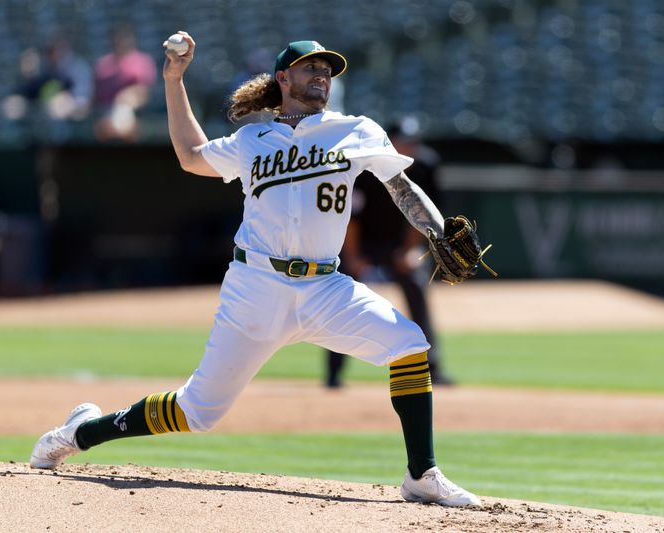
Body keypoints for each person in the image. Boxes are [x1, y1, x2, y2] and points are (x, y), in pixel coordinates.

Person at [29, 34, 483, 508]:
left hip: (325, 287)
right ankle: (81, 433)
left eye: (327, 69)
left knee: (409, 345)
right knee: (197, 411)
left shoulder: (356, 130)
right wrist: (173, 79)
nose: (322, 75)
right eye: (311, 68)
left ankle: (421, 474)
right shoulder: (252, 140)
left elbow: (401, 187)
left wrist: (436, 230)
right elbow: (189, 155)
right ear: (283, 79)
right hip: (256, 287)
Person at [324, 117, 454, 388]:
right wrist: (352, 258)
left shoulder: (426, 165)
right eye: (404, 142)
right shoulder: (367, 164)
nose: (410, 148)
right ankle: (334, 373)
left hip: (399, 244)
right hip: (362, 242)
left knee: (417, 286)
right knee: (339, 295)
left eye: (414, 142)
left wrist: (410, 251)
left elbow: (422, 215)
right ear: (389, 142)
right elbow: (352, 218)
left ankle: (433, 368)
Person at [0, 37, 93, 121]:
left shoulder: (77, 67)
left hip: (74, 106)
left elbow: (81, 96)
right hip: (47, 109)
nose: (53, 55)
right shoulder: (46, 71)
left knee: (60, 103)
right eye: (51, 52)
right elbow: (32, 92)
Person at [93, 26, 157, 142]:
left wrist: (125, 97)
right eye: (118, 41)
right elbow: (96, 94)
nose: (121, 44)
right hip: (106, 110)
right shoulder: (103, 63)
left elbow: (144, 92)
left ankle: (119, 128)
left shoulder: (142, 61)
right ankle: (117, 129)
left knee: (123, 105)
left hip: (133, 108)